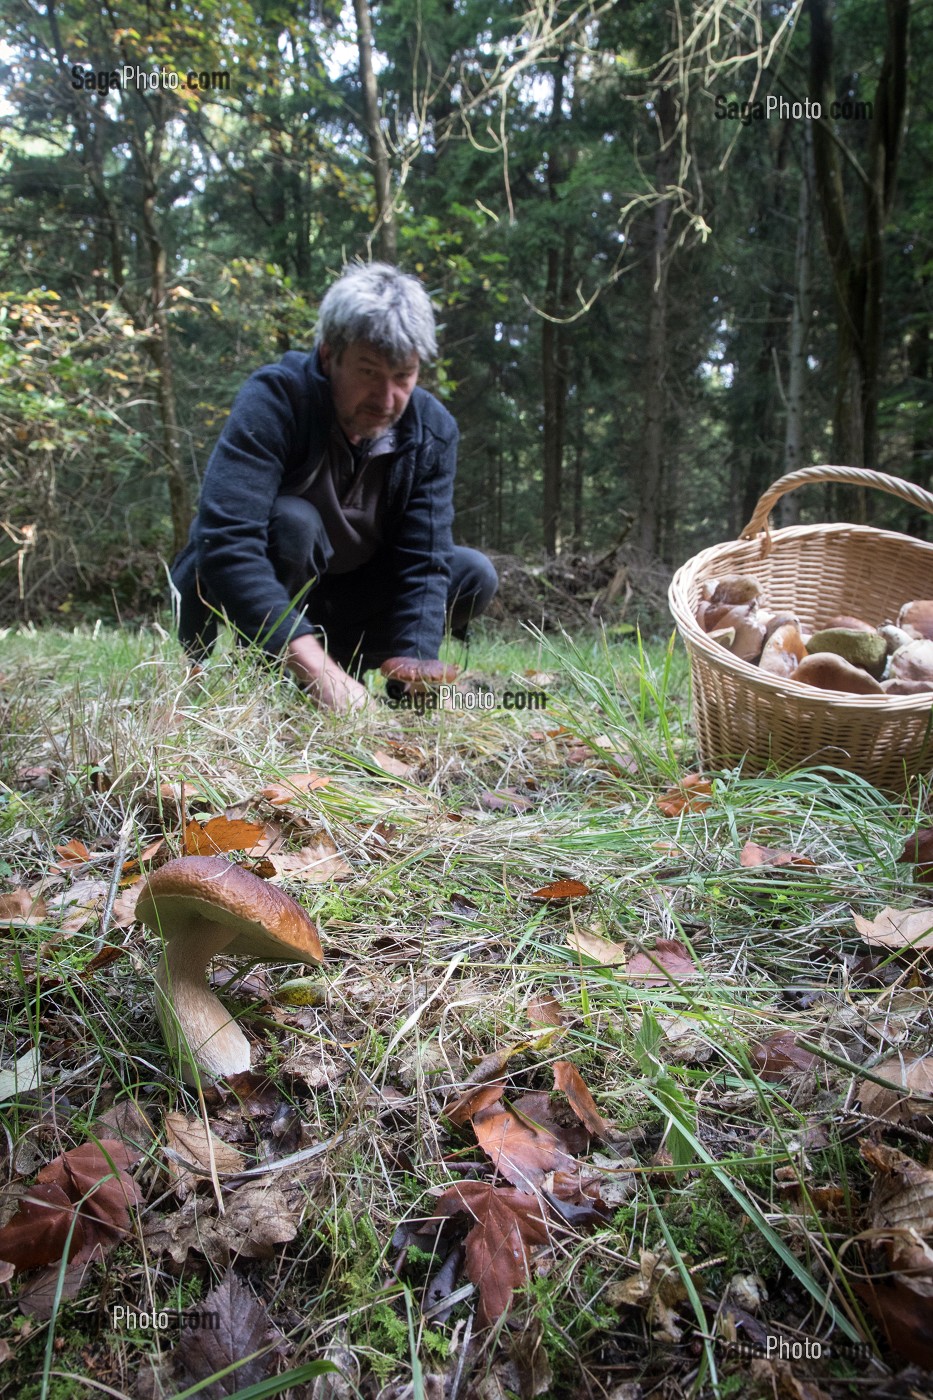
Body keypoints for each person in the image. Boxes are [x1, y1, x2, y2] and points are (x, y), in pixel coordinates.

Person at [171, 262, 498, 711]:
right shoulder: (276, 399)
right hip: (261, 590)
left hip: (347, 598)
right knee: (293, 524)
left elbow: (424, 560)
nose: (386, 401)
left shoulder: (432, 432)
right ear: (329, 355)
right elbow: (226, 542)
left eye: (402, 377)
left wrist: (415, 667)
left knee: (471, 574)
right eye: (368, 372)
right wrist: (313, 665)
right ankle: (267, 672)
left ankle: (343, 671)